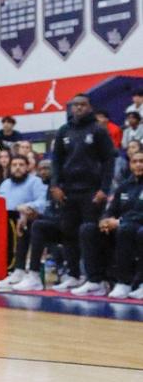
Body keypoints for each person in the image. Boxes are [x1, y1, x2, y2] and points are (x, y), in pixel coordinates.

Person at [49, 94, 117, 293]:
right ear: (70, 108)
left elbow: (109, 161)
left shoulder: (98, 130)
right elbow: (56, 161)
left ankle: (94, 277)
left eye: (83, 105)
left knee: (89, 233)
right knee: (68, 233)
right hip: (68, 191)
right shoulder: (64, 131)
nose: (78, 108)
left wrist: (105, 189)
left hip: (91, 192)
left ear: (90, 108)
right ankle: (73, 275)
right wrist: (55, 185)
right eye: (75, 105)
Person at [76, 150, 143, 298]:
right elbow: (111, 209)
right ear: (130, 165)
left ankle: (124, 283)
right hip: (123, 226)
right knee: (88, 229)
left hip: (135, 227)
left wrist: (119, 222)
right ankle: (95, 281)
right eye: (134, 161)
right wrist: (104, 220)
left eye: (141, 161)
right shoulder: (124, 186)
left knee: (125, 229)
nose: (138, 165)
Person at [0, 156, 47, 286]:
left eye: (21, 165)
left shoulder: (36, 182)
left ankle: (19, 269)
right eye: (14, 165)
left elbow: (43, 202)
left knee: (23, 225)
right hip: (5, 217)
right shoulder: (5, 183)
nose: (17, 167)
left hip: (28, 217)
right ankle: (14, 270)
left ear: (28, 167)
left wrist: (27, 206)